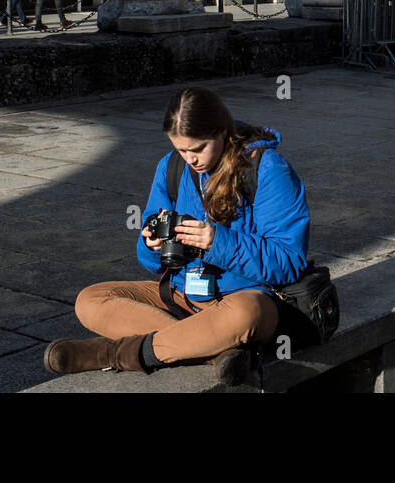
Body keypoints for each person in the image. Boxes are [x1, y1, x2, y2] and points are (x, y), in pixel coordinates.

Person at [44, 87, 309, 378]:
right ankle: (212, 350)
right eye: (182, 149)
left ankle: (110, 353)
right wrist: (151, 244)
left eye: (198, 148)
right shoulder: (171, 167)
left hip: (246, 301)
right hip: (183, 297)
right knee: (90, 300)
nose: (191, 159)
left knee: (246, 314)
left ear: (222, 131)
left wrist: (216, 241)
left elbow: (288, 261)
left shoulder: (267, 169)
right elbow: (149, 261)